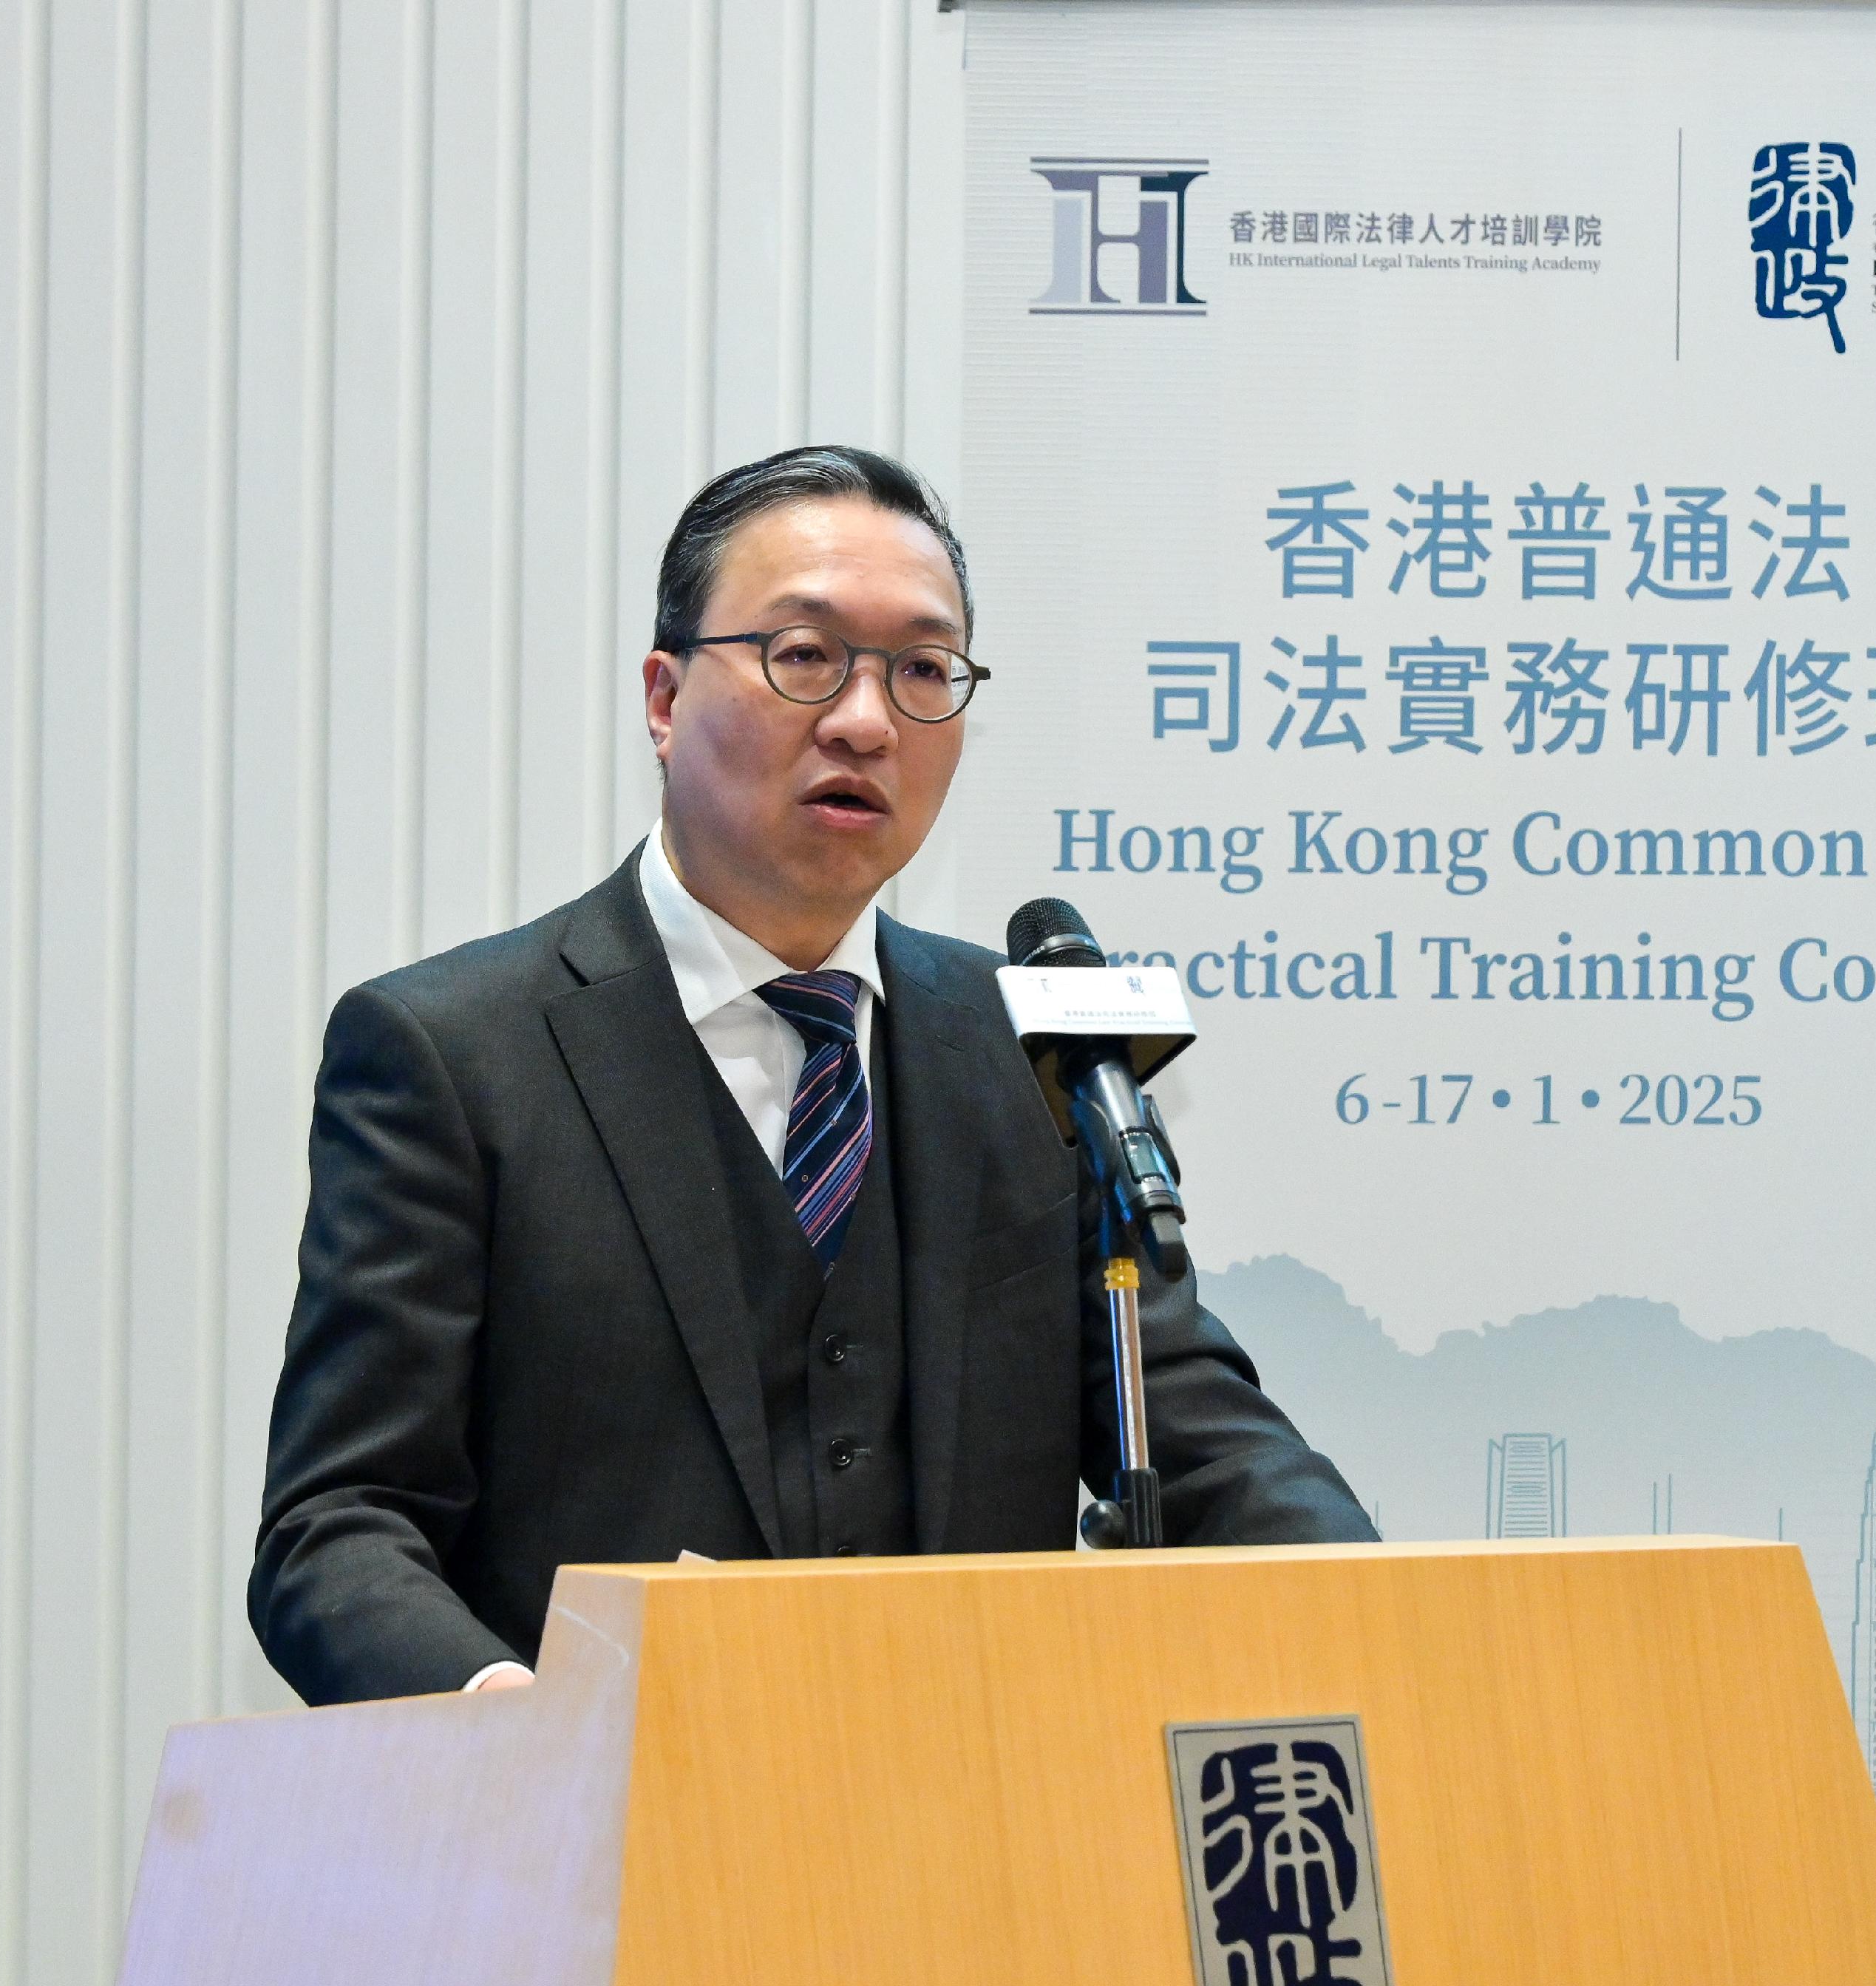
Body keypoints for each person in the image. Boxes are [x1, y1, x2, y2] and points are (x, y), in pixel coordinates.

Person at [249, 445, 1375, 1706]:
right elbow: (338, 1527)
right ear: (665, 698)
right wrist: (513, 1723)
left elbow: (1192, 1428)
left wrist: (1399, 1627)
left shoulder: (1026, 1053)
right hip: (600, 1848)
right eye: (804, 657)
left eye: (923, 670)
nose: (864, 719)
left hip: (978, 1837)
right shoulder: (453, 1055)